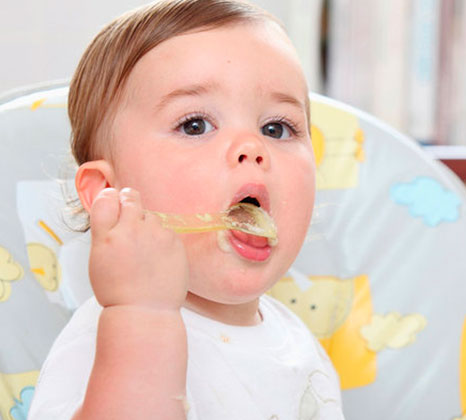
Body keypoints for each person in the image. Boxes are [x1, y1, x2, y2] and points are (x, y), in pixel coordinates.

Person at [27, 0, 344, 419]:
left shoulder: (300, 345)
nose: (253, 148)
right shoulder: (111, 339)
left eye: (276, 128)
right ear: (109, 193)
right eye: (194, 125)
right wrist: (143, 317)